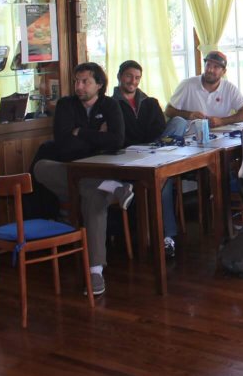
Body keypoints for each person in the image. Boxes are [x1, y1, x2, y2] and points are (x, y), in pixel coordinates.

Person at [33, 62, 128, 297]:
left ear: (99, 84)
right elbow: (64, 146)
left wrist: (81, 132)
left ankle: (94, 271)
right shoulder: (66, 105)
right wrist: (99, 136)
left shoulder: (111, 105)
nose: (79, 86)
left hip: (102, 167)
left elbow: (117, 141)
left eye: (85, 81)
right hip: (72, 168)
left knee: (90, 193)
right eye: (76, 81)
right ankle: (113, 189)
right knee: (41, 167)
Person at [112, 60, 181, 258]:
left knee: (179, 122)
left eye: (137, 78)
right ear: (120, 77)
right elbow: (119, 136)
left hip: (154, 151)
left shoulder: (150, 102)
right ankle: (166, 236)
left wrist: (150, 142)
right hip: (127, 157)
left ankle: (167, 237)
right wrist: (141, 142)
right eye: (129, 76)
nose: (133, 81)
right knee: (163, 181)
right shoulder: (111, 104)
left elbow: (159, 128)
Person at [165, 50, 243, 127]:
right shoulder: (187, 85)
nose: (210, 70)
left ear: (224, 72)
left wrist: (222, 121)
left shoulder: (229, 88)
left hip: (222, 138)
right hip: (190, 138)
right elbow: (169, 110)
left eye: (216, 67)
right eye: (208, 65)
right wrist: (189, 115)